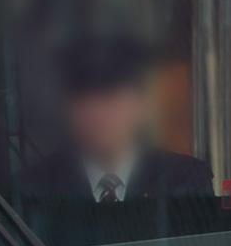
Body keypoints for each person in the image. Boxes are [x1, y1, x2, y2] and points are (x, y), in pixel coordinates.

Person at [16, 26, 209, 207]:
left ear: (140, 104)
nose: (96, 112)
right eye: (83, 96)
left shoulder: (184, 181)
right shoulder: (34, 188)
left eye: (110, 95)